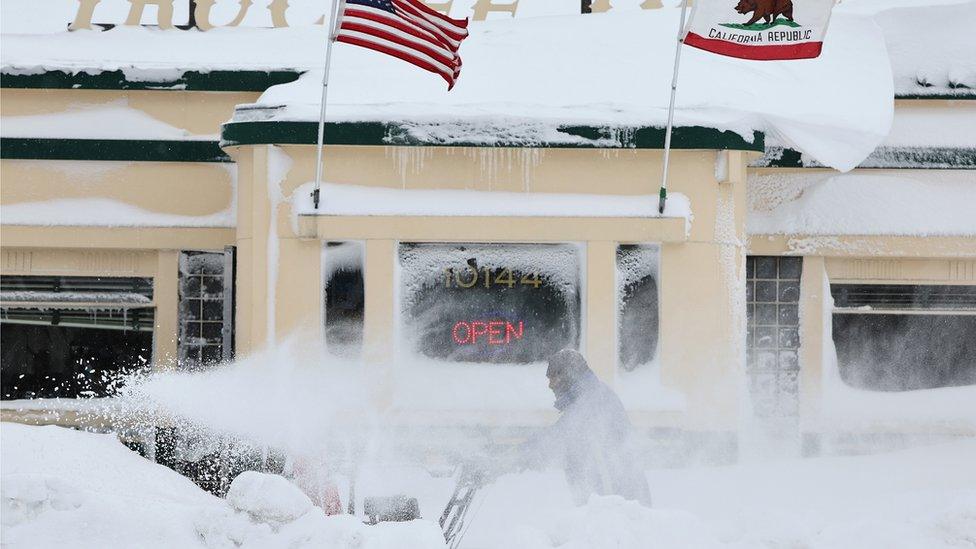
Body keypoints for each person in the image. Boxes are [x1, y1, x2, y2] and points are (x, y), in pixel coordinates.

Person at [521, 349, 652, 506]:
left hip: (616, 508)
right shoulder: (592, 396)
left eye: (553, 379)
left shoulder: (593, 402)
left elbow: (553, 440)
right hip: (612, 506)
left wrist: (504, 462)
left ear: (568, 376)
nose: (550, 386)